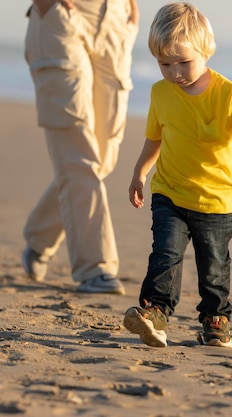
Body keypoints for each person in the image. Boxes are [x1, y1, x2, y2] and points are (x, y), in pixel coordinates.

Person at [122, 2, 232, 348]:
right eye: (164, 64)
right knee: (165, 254)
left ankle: (215, 321)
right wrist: (140, 172)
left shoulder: (228, 94)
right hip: (169, 192)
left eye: (183, 62)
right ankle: (154, 313)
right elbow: (155, 138)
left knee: (213, 266)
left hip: (216, 200)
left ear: (206, 51)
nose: (174, 72)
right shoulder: (160, 93)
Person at [21, 0, 139, 294]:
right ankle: (96, 268)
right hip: (60, 17)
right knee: (80, 156)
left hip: (115, 19)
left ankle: (39, 237)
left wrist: (131, 11)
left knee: (102, 159)